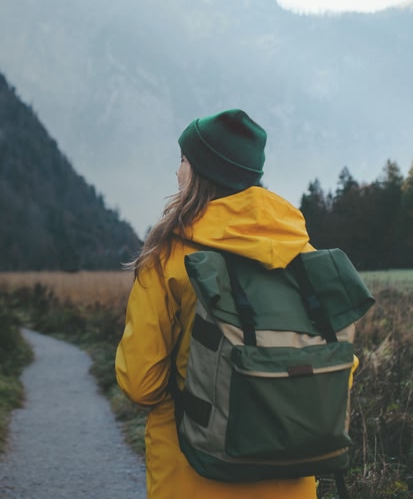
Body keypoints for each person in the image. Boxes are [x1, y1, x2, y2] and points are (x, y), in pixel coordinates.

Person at [115, 109, 321, 498]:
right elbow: (334, 360)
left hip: (191, 473)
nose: (177, 171)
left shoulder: (168, 256)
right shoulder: (302, 253)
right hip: (290, 476)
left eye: (182, 160)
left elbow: (141, 384)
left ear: (200, 172)